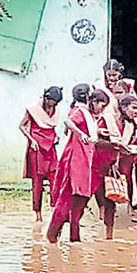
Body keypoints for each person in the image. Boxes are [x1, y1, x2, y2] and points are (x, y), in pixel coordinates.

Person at [47, 84, 108, 243]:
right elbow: (69, 123)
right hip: (75, 161)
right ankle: (52, 235)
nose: (103, 108)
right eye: (101, 104)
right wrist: (80, 134)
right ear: (91, 100)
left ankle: (74, 238)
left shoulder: (89, 116)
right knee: (67, 198)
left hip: (84, 161)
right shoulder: (80, 113)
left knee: (79, 201)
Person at [93, 93, 137, 239]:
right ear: (123, 107)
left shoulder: (130, 126)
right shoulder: (106, 119)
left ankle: (109, 235)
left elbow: (125, 144)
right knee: (98, 193)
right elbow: (94, 139)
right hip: (99, 162)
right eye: (134, 108)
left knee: (111, 202)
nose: (136, 112)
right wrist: (112, 144)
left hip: (115, 163)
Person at [20, 86, 63, 222]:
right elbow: (22, 126)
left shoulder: (55, 110)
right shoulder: (33, 109)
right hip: (37, 148)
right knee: (37, 183)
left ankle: (53, 211)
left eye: (56, 103)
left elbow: (52, 127)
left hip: (51, 148)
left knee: (54, 180)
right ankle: (38, 216)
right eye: (52, 102)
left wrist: (56, 137)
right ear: (46, 98)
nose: (53, 106)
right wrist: (31, 140)